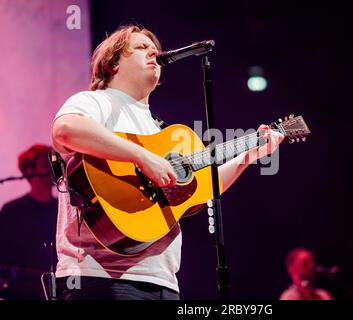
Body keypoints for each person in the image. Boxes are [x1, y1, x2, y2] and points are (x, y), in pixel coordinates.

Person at [51, 24, 284, 300]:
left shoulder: (160, 130)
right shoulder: (96, 102)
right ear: (113, 64)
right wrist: (141, 156)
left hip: (163, 281)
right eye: (141, 48)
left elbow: (204, 187)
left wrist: (248, 156)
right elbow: (66, 129)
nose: (153, 52)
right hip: (99, 277)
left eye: (155, 49)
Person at [0, 144, 58, 299]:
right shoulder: (12, 211)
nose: (53, 170)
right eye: (46, 165)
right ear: (29, 171)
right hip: (23, 290)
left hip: (58, 288)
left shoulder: (62, 209)